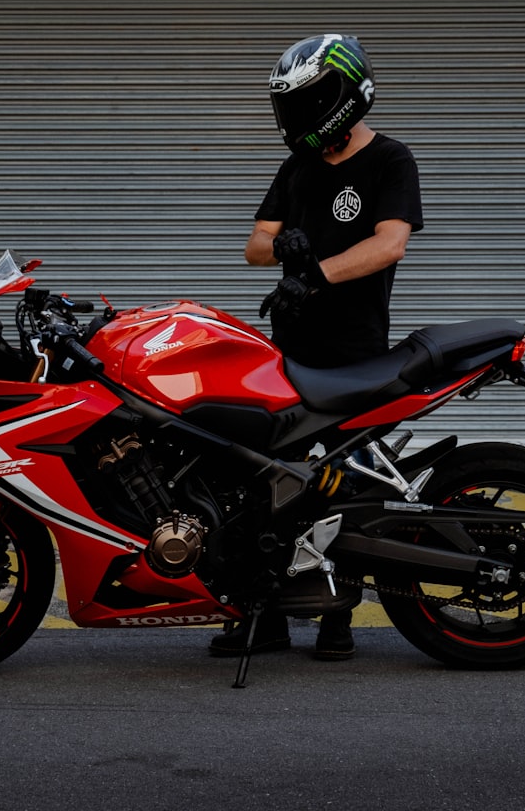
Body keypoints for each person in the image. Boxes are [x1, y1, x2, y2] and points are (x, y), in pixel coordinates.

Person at [210, 33, 424, 661]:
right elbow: (254, 244)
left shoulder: (390, 160)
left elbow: (391, 244)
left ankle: (337, 620)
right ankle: (267, 618)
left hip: (357, 354)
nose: (296, 116)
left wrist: (316, 273)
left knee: (346, 486)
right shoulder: (297, 167)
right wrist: (286, 249)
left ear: (340, 94)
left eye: (307, 100)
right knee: (272, 484)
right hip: (289, 356)